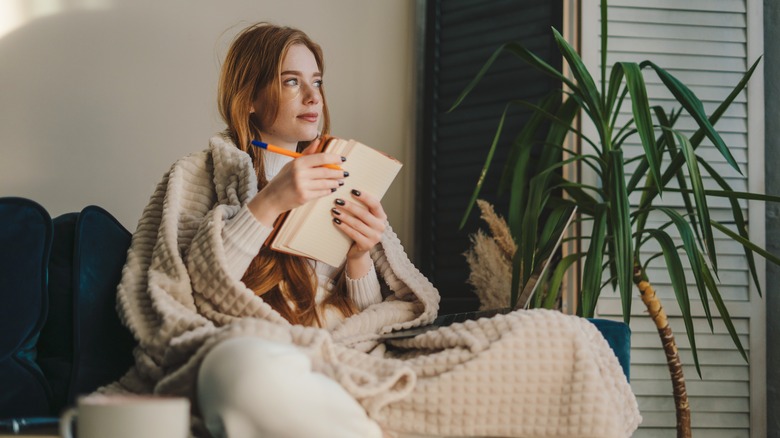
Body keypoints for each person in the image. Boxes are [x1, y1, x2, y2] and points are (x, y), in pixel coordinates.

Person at [108, 22, 640, 438]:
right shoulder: (199, 175)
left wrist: (362, 257)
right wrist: (269, 203)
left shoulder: (342, 168)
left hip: (353, 356)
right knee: (241, 370)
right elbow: (184, 289)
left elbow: (371, 320)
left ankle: (347, 415)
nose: (313, 96)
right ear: (249, 98)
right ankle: (358, 418)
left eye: (316, 81)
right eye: (292, 81)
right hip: (265, 348)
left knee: (561, 334)